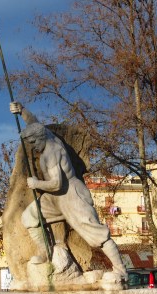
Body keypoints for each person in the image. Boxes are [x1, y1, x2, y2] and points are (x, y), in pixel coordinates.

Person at [10, 101, 127, 281]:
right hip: (55, 197)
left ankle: (120, 270)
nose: (32, 147)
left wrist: (36, 183)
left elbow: (56, 183)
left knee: (96, 235)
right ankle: (46, 251)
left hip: (71, 194)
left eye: (33, 142)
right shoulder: (47, 136)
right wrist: (22, 110)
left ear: (40, 138)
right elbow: (35, 124)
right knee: (30, 217)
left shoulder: (53, 152)